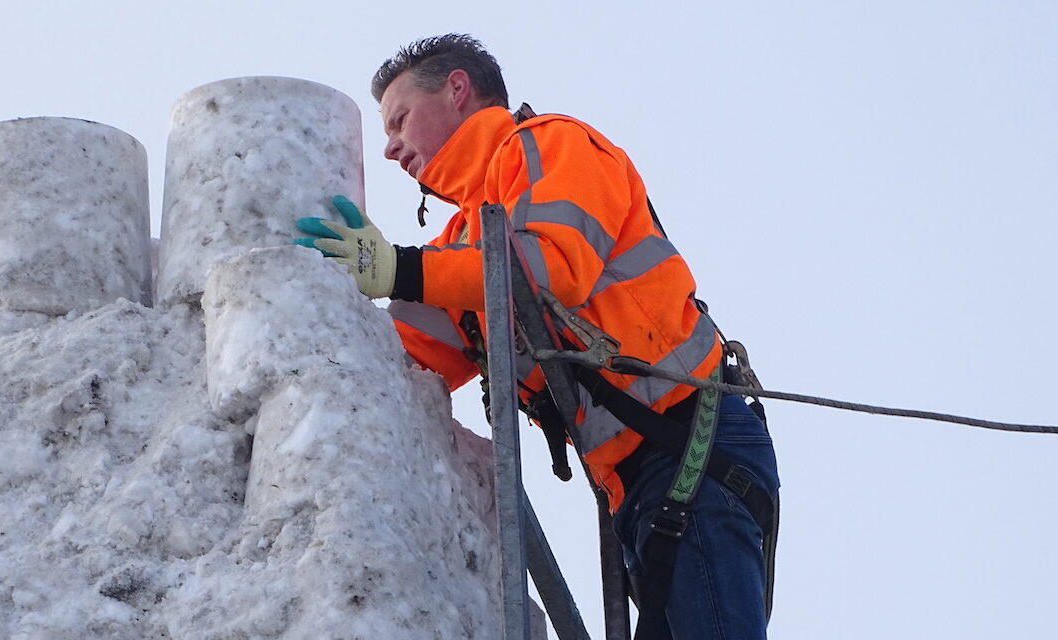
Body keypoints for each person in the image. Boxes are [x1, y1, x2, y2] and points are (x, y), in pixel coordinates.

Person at [295, 34, 780, 640]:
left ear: (456, 89)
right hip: (637, 484)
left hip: (692, 443)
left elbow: (549, 268)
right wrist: (305, 317)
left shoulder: (554, 144)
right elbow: (402, 364)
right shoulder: (462, 239)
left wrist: (401, 269)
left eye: (399, 120)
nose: (390, 147)